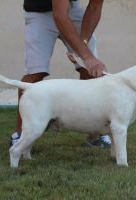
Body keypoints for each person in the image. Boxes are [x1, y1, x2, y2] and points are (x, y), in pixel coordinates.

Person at [10, 0, 111, 148]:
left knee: (92, 73)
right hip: (39, 13)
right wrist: (86, 56)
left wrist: (82, 44)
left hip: (72, 9)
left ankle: (95, 135)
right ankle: (20, 135)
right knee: (35, 73)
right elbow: (60, 16)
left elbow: (95, 7)